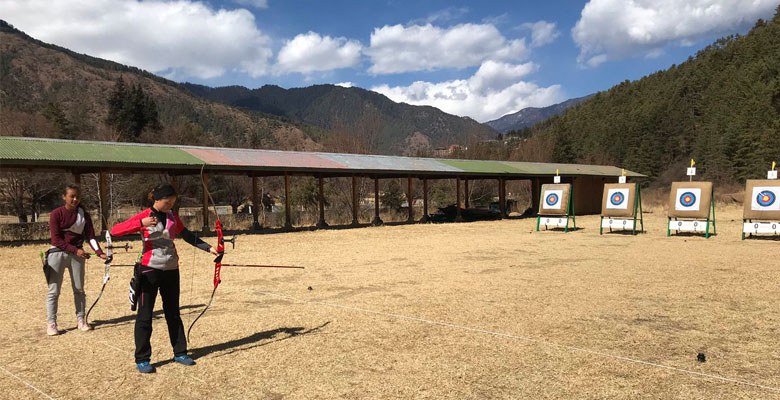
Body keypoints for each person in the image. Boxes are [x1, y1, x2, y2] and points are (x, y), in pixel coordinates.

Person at [111, 183, 218, 373]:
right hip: (149, 271)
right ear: (157, 199)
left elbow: (186, 235)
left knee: (173, 312)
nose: (170, 206)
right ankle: (142, 358)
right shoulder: (144, 216)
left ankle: (180, 352)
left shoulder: (172, 217)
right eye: (167, 203)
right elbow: (115, 231)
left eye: (173, 203)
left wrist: (209, 248)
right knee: (145, 315)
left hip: (171, 269)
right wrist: (140, 224)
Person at [46, 184, 107, 335]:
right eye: (71, 196)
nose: (74, 199)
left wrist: (99, 252)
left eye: (77, 197)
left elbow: (91, 236)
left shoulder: (83, 215)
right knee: (54, 290)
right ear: (64, 197)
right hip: (57, 254)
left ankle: (81, 319)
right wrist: (76, 250)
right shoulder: (56, 214)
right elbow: (56, 240)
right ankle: (51, 323)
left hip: (77, 255)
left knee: (79, 289)